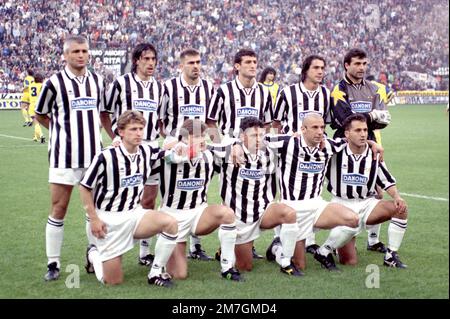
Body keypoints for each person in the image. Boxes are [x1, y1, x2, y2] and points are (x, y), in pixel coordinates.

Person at [264, 113, 383, 272]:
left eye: (322, 127)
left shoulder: (329, 145)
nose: (320, 132)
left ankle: (324, 252)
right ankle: (276, 248)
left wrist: (372, 143)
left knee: (352, 219)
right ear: (303, 129)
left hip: (316, 205)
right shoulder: (287, 142)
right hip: (291, 208)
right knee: (299, 265)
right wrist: (237, 146)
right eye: (315, 127)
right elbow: (257, 139)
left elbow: (351, 139)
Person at [35, 35, 106, 281]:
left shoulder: (97, 81)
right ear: (65, 55)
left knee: (93, 210)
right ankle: (53, 263)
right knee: (59, 208)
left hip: (93, 158)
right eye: (75, 51)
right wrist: (60, 133)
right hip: (63, 157)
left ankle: (92, 253)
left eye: (85, 51)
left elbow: (102, 112)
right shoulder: (54, 83)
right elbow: (41, 114)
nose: (81, 55)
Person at [80, 110, 179, 286]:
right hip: (108, 219)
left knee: (170, 223)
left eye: (141, 128)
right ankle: (93, 254)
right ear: (121, 131)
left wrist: (184, 143)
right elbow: (85, 187)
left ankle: (155, 273)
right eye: (133, 129)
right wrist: (94, 219)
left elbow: (168, 152)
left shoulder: (147, 152)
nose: (139, 133)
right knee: (112, 281)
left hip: (134, 215)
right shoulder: (106, 156)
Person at [313, 113, 408, 269]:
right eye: (358, 130)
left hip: (366, 203)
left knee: (400, 209)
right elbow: (316, 140)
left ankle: (391, 255)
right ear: (347, 133)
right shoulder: (335, 149)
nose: (363, 134)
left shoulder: (374, 153)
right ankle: (329, 248)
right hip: (341, 205)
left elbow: (386, 180)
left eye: (365, 130)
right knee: (349, 262)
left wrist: (397, 196)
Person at [153, 119, 243, 281]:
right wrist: (177, 147)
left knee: (227, 214)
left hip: (199, 214)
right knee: (179, 275)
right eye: (195, 136)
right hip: (173, 218)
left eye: (202, 136)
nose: (201, 139)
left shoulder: (209, 155)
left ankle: (227, 267)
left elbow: (234, 145)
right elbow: (165, 156)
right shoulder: (169, 156)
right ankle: (168, 248)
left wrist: (236, 145)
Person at [212, 117, 301, 276]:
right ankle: (226, 248)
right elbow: (203, 147)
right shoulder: (228, 151)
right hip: (240, 216)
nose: (259, 139)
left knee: (289, 213)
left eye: (261, 135)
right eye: (253, 135)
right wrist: (234, 145)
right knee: (245, 266)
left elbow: (296, 136)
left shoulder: (270, 148)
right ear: (241, 136)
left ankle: (283, 257)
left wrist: (312, 137)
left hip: (264, 210)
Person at [101, 43, 164, 267]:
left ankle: (144, 251)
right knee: (120, 199)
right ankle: (103, 246)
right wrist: (114, 136)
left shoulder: (159, 87)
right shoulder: (121, 83)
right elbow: (104, 112)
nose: (150, 63)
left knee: (149, 199)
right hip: (126, 149)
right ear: (136, 60)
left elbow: (160, 119)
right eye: (146, 59)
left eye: (153, 59)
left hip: (151, 148)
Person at [330, 48, 392, 254]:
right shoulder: (338, 89)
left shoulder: (373, 89)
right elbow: (344, 118)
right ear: (347, 65)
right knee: (348, 188)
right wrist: (371, 116)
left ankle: (373, 240)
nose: (361, 68)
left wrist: (368, 119)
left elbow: (384, 119)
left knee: (377, 191)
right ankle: (344, 230)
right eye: (357, 64)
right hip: (345, 144)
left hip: (370, 142)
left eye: (364, 64)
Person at [159, 48, 215, 261]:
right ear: (181, 66)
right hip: (176, 147)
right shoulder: (168, 87)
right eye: (191, 63)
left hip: (200, 147)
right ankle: (146, 251)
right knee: (166, 193)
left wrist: (210, 142)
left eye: (198, 62)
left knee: (200, 190)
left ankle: (196, 246)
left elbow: (210, 120)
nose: (195, 66)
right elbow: (160, 120)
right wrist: (173, 142)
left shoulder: (208, 87)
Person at [273, 55, 332, 254]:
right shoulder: (288, 93)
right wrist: (288, 140)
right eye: (316, 67)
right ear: (306, 70)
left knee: (314, 190)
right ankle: (278, 238)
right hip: (292, 152)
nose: (320, 71)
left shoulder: (325, 93)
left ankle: (309, 239)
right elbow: (276, 122)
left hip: (315, 150)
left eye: (322, 68)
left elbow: (327, 122)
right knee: (287, 191)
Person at [207, 48, 273, 143]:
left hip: (255, 150)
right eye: (248, 62)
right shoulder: (224, 90)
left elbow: (267, 124)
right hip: (229, 149)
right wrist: (221, 145)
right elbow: (210, 122)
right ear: (237, 66)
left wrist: (260, 142)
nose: (253, 66)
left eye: (254, 62)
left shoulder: (265, 92)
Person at [26, 73, 45, 143]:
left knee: (36, 122)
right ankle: (35, 137)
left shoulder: (30, 85)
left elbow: (28, 96)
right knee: (38, 122)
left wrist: (27, 105)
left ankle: (41, 135)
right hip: (40, 105)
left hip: (32, 105)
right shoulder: (41, 85)